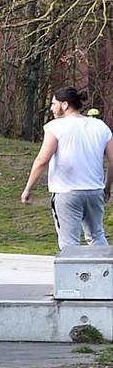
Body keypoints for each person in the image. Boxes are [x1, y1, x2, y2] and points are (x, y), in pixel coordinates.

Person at [20, 85, 113, 248]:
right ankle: (104, 272)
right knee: (97, 235)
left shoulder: (55, 127)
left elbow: (42, 160)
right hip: (94, 192)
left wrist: (28, 188)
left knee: (70, 242)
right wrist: (107, 187)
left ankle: (72, 274)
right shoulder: (101, 127)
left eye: (54, 103)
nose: (51, 108)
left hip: (67, 193)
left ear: (65, 105)